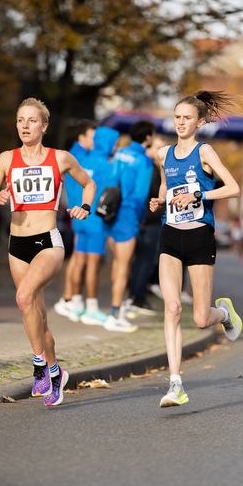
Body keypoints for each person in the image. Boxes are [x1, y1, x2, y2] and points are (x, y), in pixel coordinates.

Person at [0, 98, 96, 407]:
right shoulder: (6, 159)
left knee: (23, 297)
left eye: (31, 121)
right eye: (20, 120)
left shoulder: (61, 159)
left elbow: (89, 183)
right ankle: (56, 373)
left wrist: (84, 206)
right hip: (16, 245)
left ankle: (39, 366)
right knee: (37, 316)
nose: (25, 126)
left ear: (44, 126)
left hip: (48, 241)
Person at [150, 90, 243, 408]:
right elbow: (166, 185)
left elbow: (233, 188)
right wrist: (160, 199)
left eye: (187, 118)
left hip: (200, 236)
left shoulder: (205, 153)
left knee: (202, 318)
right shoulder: (163, 154)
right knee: (173, 309)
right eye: (177, 117)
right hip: (170, 237)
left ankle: (225, 314)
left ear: (200, 122)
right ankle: (175, 384)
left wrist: (199, 197)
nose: (180, 122)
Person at [104, 120, 154, 332]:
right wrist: (140, 217)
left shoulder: (120, 153)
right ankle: (114, 314)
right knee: (124, 266)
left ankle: (117, 310)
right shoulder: (144, 161)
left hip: (111, 213)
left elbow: (110, 180)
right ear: (148, 137)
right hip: (128, 215)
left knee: (117, 264)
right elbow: (141, 195)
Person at [73, 126, 120, 325]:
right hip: (96, 222)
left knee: (78, 261)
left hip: (78, 218)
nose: (116, 146)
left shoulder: (82, 160)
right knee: (93, 266)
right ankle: (91, 307)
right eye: (115, 143)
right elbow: (113, 192)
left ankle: (75, 303)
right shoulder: (108, 166)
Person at [54, 120, 95, 320]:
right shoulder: (73, 156)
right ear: (82, 137)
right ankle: (68, 299)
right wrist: (76, 207)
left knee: (77, 257)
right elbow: (74, 186)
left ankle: (71, 299)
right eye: (91, 137)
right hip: (74, 212)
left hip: (77, 211)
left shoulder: (81, 155)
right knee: (77, 258)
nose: (94, 142)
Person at [126, 132, 163, 315]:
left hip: (149, 221)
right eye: (158, 148)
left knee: (143, 261)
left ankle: (137, 295)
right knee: (143, 261)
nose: (161, 152)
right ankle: (137, 297)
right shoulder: (148, 168)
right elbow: (144, 195)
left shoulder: (154, 167)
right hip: (148, 222)